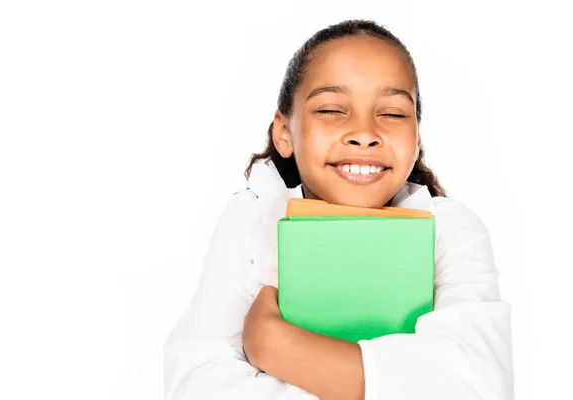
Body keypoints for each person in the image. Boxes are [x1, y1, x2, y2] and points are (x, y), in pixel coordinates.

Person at [163, 19, 513, 400]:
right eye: (331, 109)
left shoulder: (451, 228)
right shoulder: (252, 216)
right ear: (284, 133)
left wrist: (277, 347)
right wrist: (387, 377)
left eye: (393, 114)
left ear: (416, 136)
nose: (364, 133)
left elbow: (477, 386)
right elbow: (196, 385)